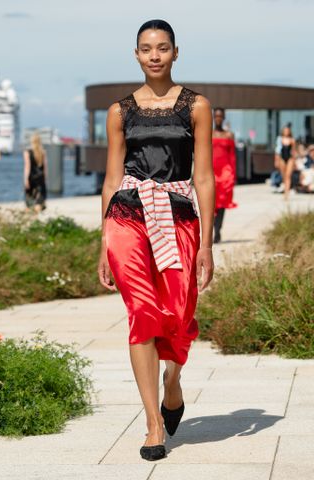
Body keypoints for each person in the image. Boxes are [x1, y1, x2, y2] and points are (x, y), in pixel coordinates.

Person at [97, 19, 215, 461]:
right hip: (127, 214)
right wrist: (102, 245)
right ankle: (152, 425)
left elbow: (203, 176)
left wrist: (206, 243)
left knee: (180, 316)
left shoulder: (196, 106)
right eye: (146, 48)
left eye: (162, 48)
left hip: (179, 213)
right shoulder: (120, 111)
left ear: (175, 52)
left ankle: (173, 382)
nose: (154, 55)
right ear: (136, 54)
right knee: (142, 313)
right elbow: (110, 180)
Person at [212, 107, 237, 243]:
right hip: (212, 173)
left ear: (223, 117)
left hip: (225, 173)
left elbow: (232, 156)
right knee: (211, 203)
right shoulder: (209, 134)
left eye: (220, 116)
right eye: (216, 116)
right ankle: (212, 229)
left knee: (222, 204)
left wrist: (233, 175)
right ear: (213, 117)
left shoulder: (229, 135)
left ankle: (218, 230)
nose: (218, 118)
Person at [23, 133, 48, 212]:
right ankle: (36, 214)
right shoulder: (43, 152)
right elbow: (45, 167)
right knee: (39, 200)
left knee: (29, 200)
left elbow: (27, 167)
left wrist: (26, 179)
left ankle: (30, 217)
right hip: (40, 178)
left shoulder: (27, 152)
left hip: (31, 177)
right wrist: (45, 178)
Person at [274, 125, 296, 200]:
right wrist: (276, 160)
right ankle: (285, 189)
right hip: (282, 158)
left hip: (290, 158)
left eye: (287, 131)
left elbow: (293, 151)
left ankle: (287, 193)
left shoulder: (292, 140)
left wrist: (294, 161)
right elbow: (277, 151)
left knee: (288, 176)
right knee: (284, 176)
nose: (286, 132)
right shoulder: (280, 139)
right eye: (285, 130)